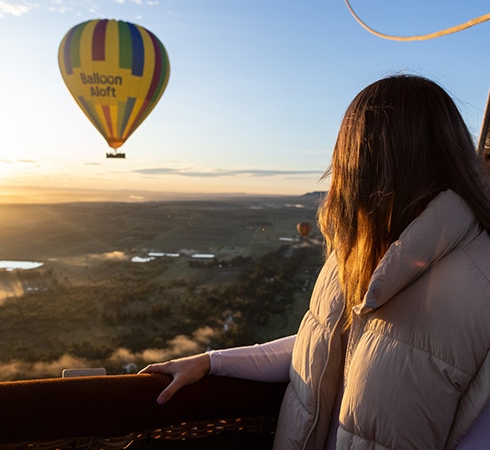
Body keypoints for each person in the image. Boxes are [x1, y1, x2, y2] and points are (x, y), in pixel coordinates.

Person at [140, 74, 490, 449]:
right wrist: (213, 362)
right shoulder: (353, 257)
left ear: (364, 160)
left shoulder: (479, 283)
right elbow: (324, 345)